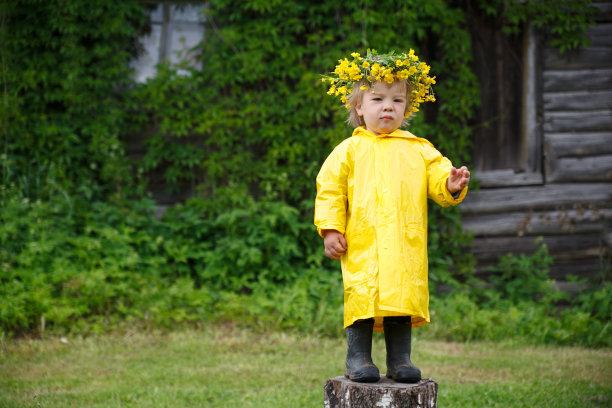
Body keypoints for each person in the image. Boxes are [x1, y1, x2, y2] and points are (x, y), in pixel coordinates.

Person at [315, 50, 470, 383]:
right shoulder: (348, 150)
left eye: (397, 100)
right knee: (362, 297)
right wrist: (330, 229)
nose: (388, 106)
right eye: (378, 98)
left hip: (403, 243)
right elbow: (329, 189)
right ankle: (358, 360)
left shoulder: (418, 149)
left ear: (407, 108)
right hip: (362, 244)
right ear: (359, 107)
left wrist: (451, 183)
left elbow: (437, 175)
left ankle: (400, 360)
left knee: (401, 297)